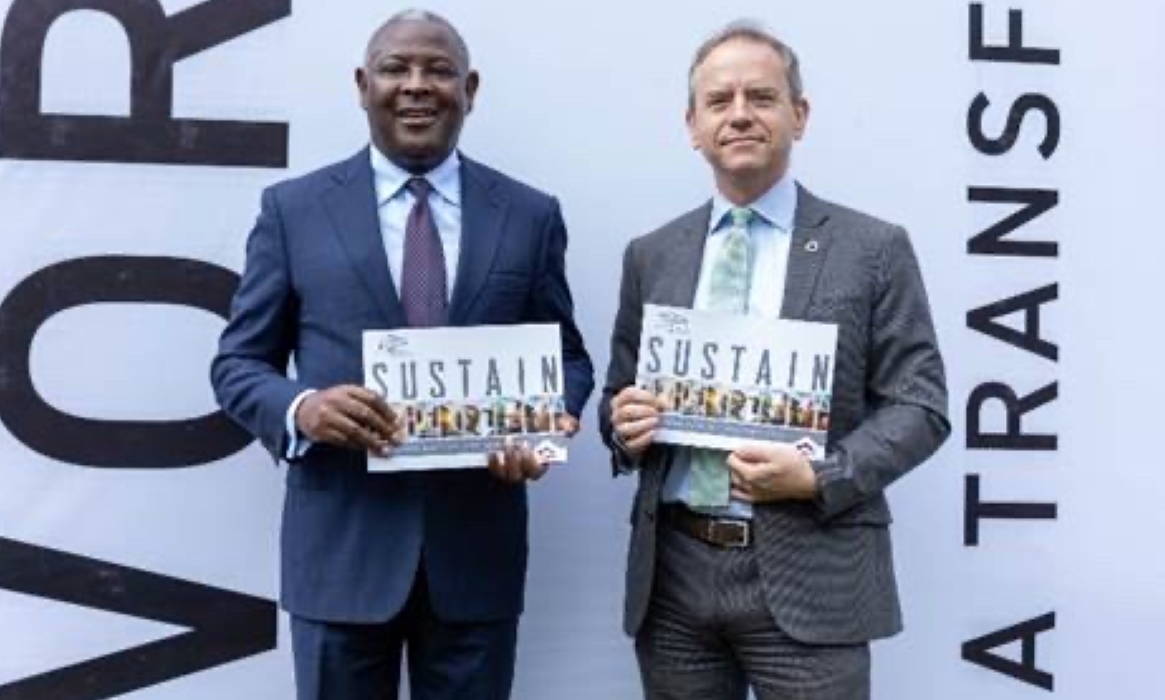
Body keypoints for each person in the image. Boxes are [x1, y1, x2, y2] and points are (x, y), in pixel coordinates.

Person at [211, 10, 594, 700]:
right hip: (339, 558)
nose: (417, 85)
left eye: (438, 70)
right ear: (363, 85)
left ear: (469, 89)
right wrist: (303, 409)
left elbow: (568, 359)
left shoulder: (530, 216)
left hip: (476, 560)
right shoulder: (292, 211)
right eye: (396, 68)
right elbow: (237, 366)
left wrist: (547, 427)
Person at [600, 20, 949, 700]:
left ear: (799, 114)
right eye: (719, 101)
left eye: (760, 96)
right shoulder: (652, 254)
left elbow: (922, 404)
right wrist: (624, 423)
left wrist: (821, 475)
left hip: (813, 576)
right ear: (692, 125)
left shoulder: (873, 248)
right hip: (673, 577)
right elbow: (619, 394)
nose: (739, 115)